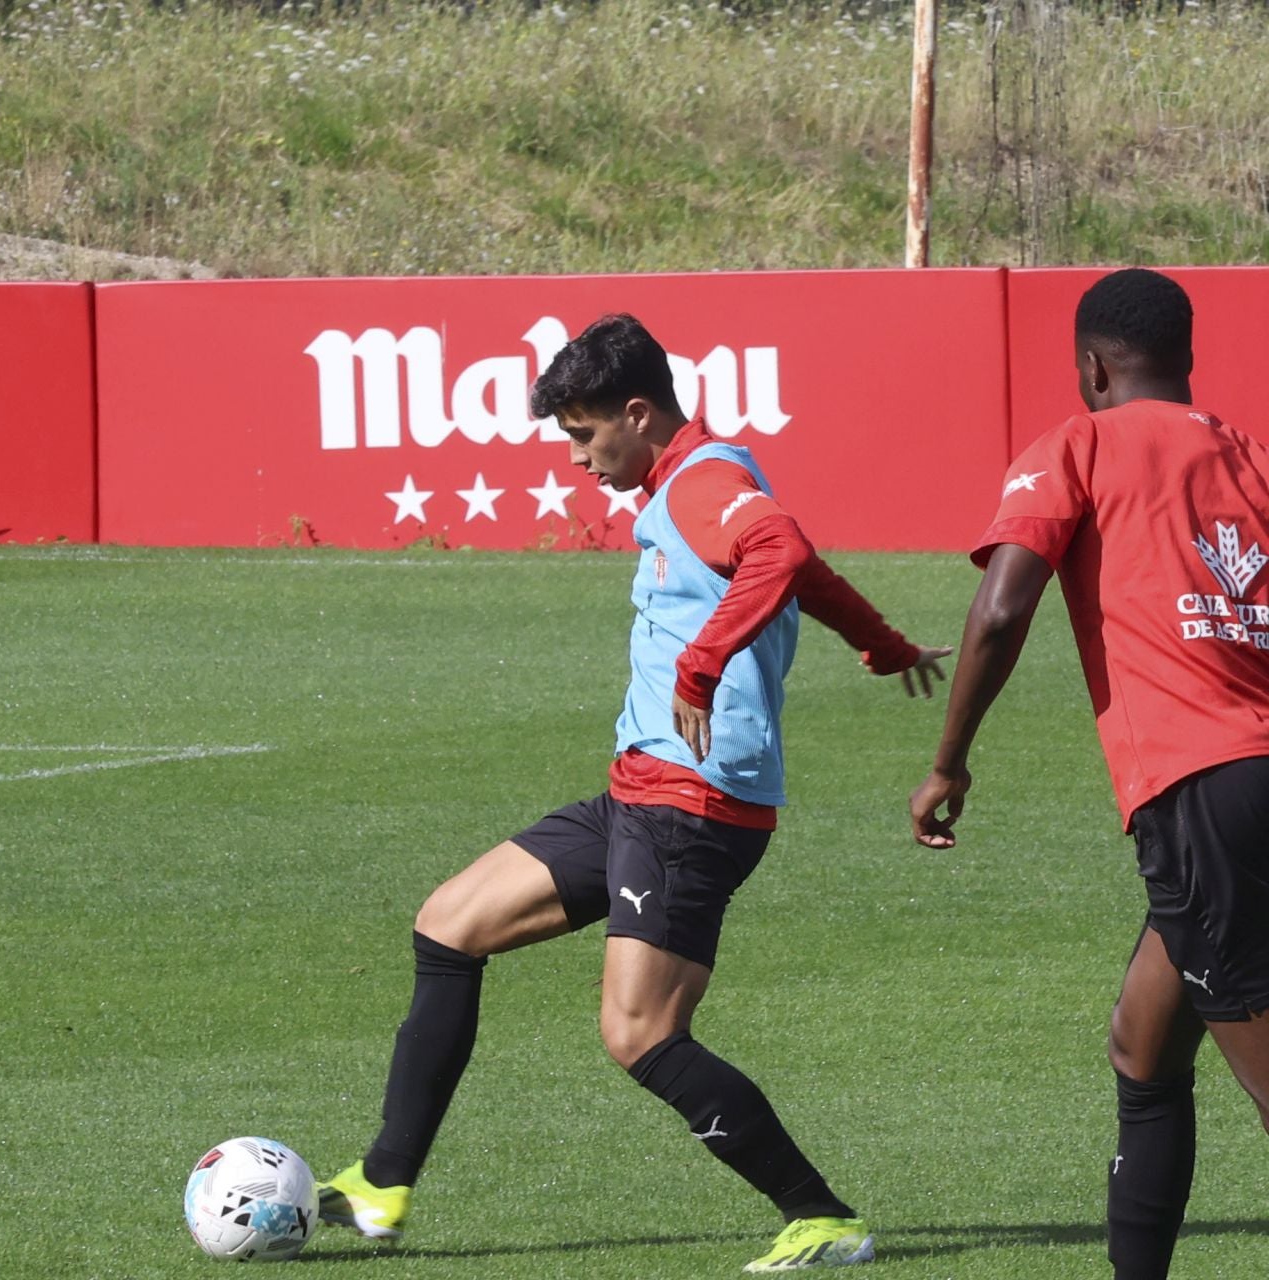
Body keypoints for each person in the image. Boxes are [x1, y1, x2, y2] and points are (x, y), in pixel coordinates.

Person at [318, 314, 948, 1274]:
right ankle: (382, 1183)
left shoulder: (704, 483)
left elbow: (776, 550)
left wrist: (700, 667)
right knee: (449, 923)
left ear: (639, 413)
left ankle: (821, 1216)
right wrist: (881, 643)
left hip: (690, 810)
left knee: (640, 1032)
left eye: (584, 434)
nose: (576, 459)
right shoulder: (693, 482)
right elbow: (800, 566)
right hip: (637, 796)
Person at [910, 267, 1269, 1280]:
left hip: (1201, 793)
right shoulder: (1248, 455)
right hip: (1251, 779)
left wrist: (947, 762)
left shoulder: (1078, 441)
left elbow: (999, 607)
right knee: (1142, 1043)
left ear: (1090, 368)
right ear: (1185, 363)